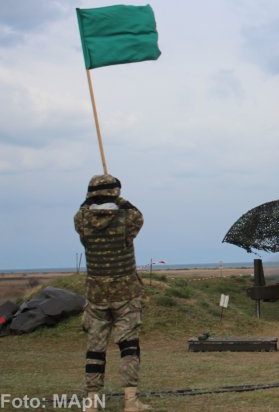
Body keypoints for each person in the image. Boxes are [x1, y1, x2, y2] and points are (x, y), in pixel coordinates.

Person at [74, 174, 151, 411]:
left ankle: (92, 402)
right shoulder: (127, 219)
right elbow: (137, 214)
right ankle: (130, 401)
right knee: (129, 346)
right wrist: (120, 200)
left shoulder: (82, 220)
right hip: (126, 293)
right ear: (116, 193)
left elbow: (83, 209)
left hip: (96, 294)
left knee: (95, 349)